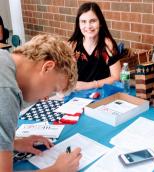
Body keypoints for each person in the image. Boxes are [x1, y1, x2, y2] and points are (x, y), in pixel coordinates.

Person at [0, 34, 82, 172]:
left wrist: (12, 143)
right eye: (53, 90)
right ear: (47, 67)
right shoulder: (6, 91)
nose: (45, 98)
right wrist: (57, 169)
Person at [69, 2, 121, 90]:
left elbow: (116, 77)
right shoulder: (72, 46)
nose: (88, 26)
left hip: (102, 94)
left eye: (92, 21)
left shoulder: (108, 45)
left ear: (100, 23)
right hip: (77, 97)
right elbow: (65, 76)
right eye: (83, 22)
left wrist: (90, 85)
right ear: (79, 24)